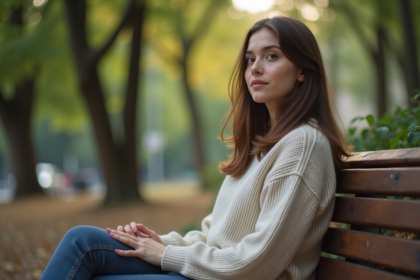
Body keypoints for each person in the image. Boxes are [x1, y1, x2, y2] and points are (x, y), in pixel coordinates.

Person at [40, 16, 349, 280]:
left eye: (271, 56)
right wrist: (159, 242)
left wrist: (166, 255)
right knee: (81, 240)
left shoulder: (303, 145)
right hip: (215, 271)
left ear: (302, 71)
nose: (255, 68)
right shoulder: (265, 143)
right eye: (250, 59)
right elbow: (214, 237)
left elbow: (259, 262)